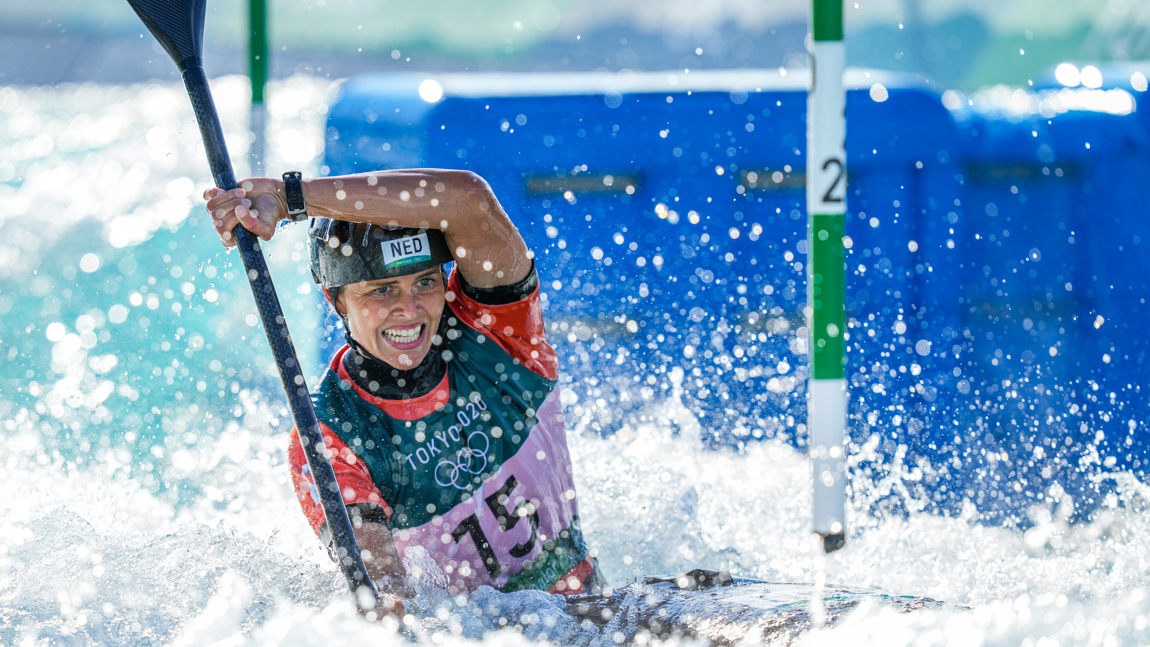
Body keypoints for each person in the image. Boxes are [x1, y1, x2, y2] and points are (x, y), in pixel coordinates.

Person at [204, 169, 603, 613]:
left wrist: (289, 197)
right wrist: (390, 612)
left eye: (426, 283)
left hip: (594, 614)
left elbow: (469, 200)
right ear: (336, 300)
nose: (409, 311)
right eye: (382, 290)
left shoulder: (497, 334)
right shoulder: (329, 434)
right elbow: (386, 591)